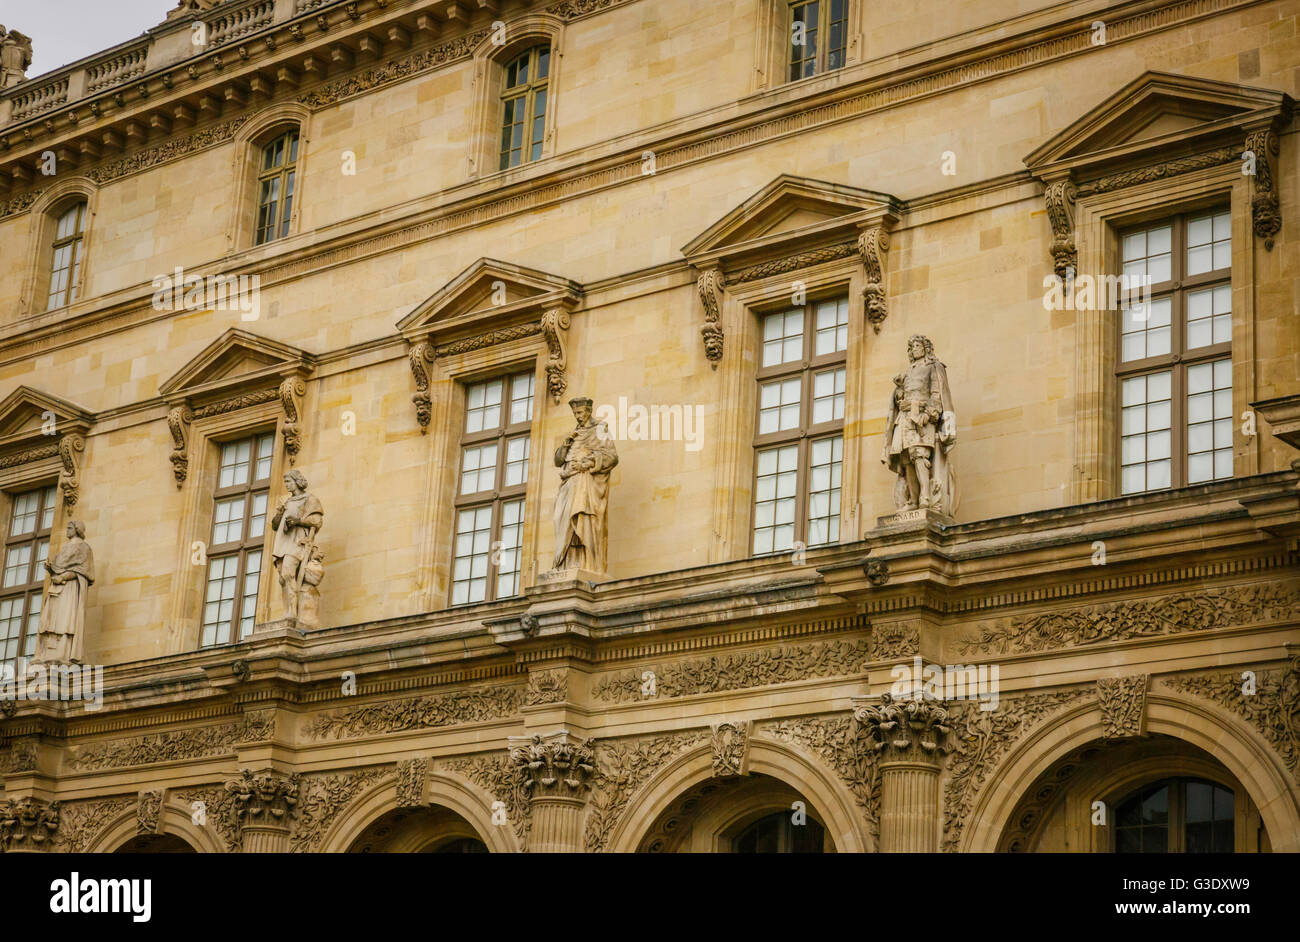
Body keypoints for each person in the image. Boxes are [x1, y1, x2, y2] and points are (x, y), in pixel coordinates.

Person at [552, 397, 618, 573]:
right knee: (562, 521)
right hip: (568, 483)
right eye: (575, 414)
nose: (578, 417)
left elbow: (611, 456)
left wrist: (588, 463)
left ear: (588, 411)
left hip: (585, 483)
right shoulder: (573, 435)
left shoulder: (599, 429)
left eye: (580, 413)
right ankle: (565, 564)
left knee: (583, 521)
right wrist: (566, 444)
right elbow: (558, 461)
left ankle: (587, 564)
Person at [33, 521, 94, 665]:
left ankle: (63, 652)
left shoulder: (84, 547)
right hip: (57, 588)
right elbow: (59, 568)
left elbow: (83, 570)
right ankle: (47, 653)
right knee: (51, 619)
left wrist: (63, 577)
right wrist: (51, 569)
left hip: (70, 589)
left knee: (65, 619)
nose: (67, 530)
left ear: (77, 530)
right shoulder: (66, 546)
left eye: (70, 528)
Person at [270, 470, 323, 622]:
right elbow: (274, 525)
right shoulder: (286, 502)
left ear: (297, 481)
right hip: (282, 542)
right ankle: (288, 610)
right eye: (285, 482)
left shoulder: (310, 499)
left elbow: (317, 521)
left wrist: (298, 521)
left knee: (288, 573)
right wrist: (280, 514)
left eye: (289, 481)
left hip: (297, 542)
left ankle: (292, 612)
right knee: (282, 579)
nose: (286, 485)